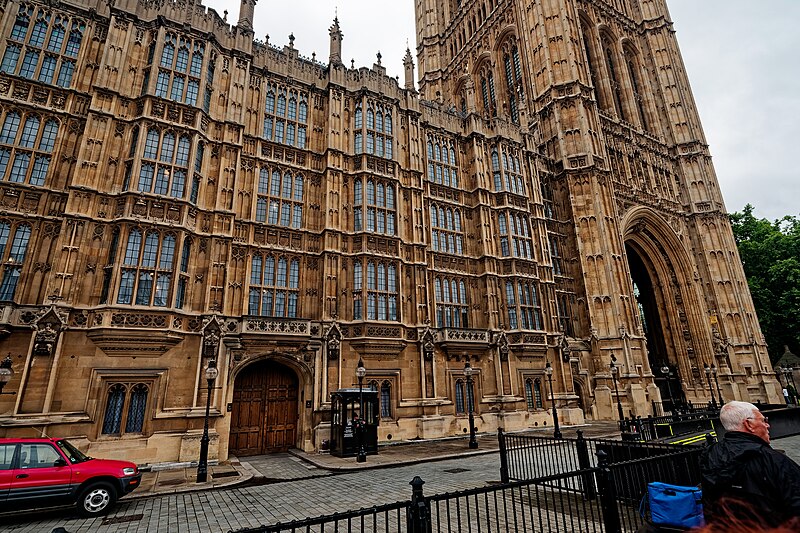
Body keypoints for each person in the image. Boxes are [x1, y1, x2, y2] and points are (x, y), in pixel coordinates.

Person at [700, 401, 800, 527]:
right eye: (764, 420)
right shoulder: (774, 460)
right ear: (749, 424)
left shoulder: (710, 455)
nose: (767, 425)